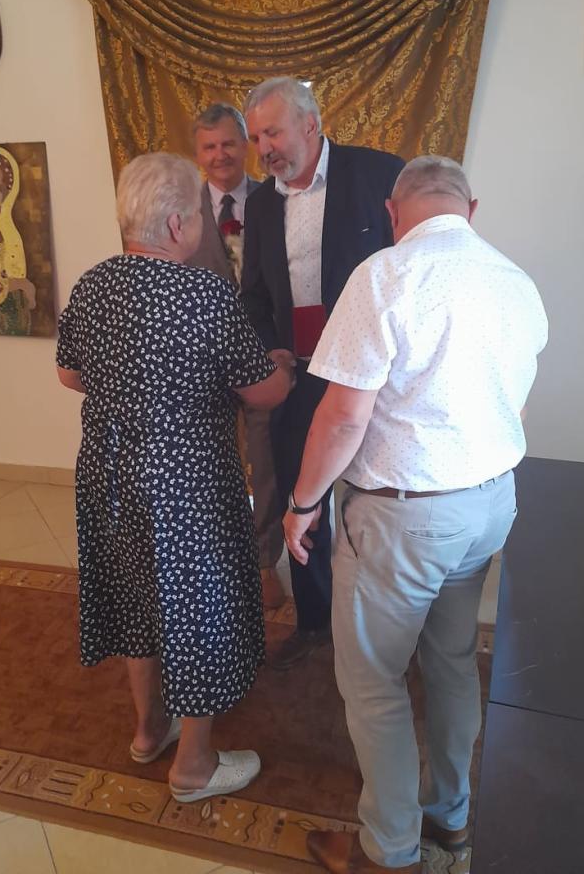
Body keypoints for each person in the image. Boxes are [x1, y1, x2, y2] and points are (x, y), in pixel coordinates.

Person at [283, 156, 548, 873]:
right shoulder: (517, 284)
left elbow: (343, 419)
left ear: (394, 212)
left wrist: (303, 503)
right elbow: (514, 406)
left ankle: (389, 849)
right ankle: (450, 818)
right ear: (471, 209)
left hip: (404, 517)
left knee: (374, 680)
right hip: (488, 504)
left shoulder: (383, 276)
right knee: (453, 660)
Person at [56, 152, 292, 803]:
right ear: (179, 223)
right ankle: (193, 765)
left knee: (137, 598)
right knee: (199, 610)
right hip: (187, 485)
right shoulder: (204, 294)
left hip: (108, 476)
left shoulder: (92, 284)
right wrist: (282, 365)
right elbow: (263, 392)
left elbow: (70, 374)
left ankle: (148, 729)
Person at [242, 76, 405, 669]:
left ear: (310, 125)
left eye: (273, 133)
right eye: (257, 138)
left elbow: (405, 267)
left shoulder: (379, 174)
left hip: (368, 378)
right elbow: (255, 294)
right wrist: (270, 350)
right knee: (300, 494)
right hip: (299, 373)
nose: (264, 149)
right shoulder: (261, 204)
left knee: (375, 500)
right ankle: (314, 622)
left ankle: (389, 627)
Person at [187, 102, 286, 609]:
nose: (220, 154)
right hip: (201, 359)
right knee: (208, 460)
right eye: (209, 146)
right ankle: (215, 554)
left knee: (266, 460)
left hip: (262, 352)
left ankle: (265, 560)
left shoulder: (275, 199)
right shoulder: (182, 209)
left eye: (228, 143)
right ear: (198, 153)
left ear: (246, 144)